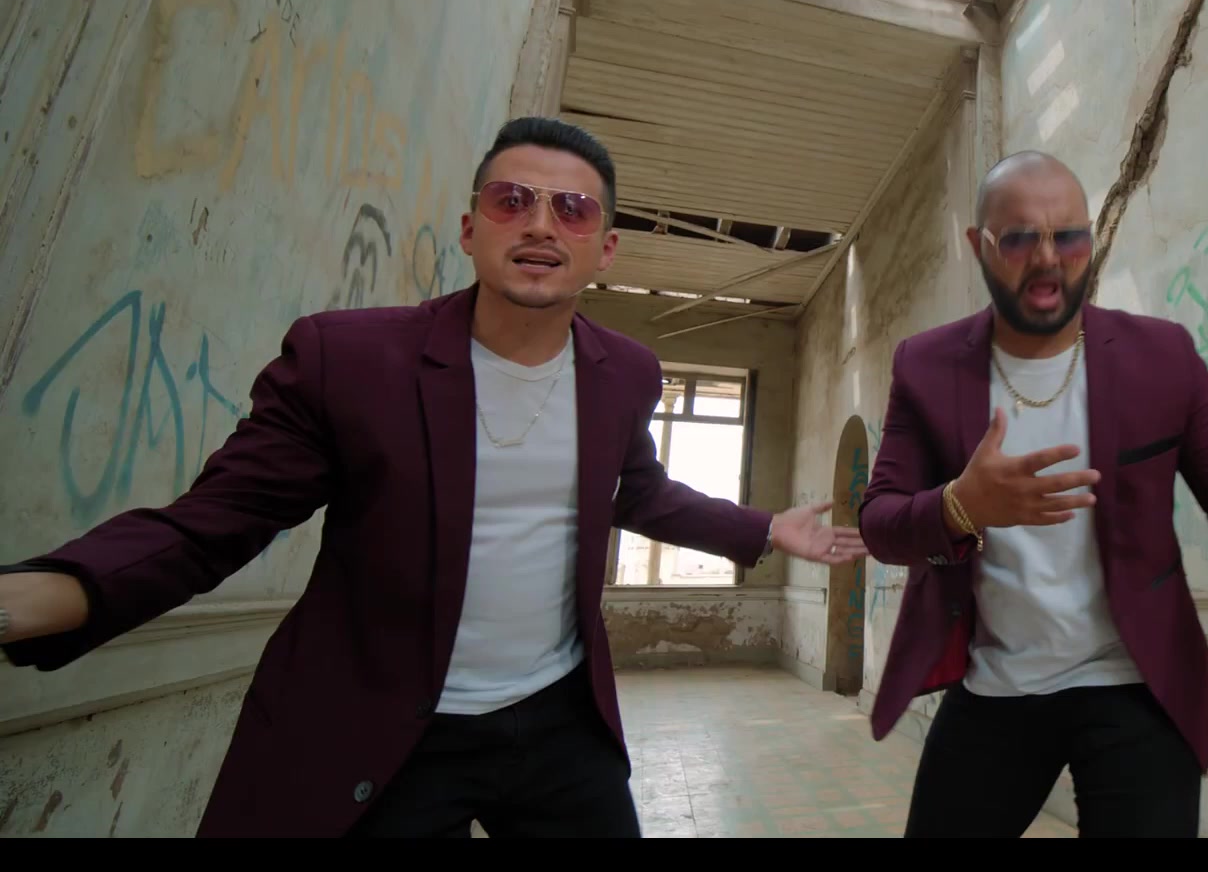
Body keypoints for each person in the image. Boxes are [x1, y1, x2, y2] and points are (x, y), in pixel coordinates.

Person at [0, 117, 866, 838]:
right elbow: (218, 520)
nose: (540, 225)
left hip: (557, 719)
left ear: (603, 249)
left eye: (570, 210)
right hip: (386, 725)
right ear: (470, 229)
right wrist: (36, 597)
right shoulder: (350, 360)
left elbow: (636, 489)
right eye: (511, 201)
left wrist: (763, 528)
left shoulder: (625, 372)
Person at [858, 150, 1208, 838]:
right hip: (996, 687)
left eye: (1068, 236)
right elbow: (879, 521)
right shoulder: (926, 365)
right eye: (1019, 238)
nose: (1048, 259)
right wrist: (959, 506)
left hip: (1137, 684)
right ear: (978, 245)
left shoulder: (1163, 357)